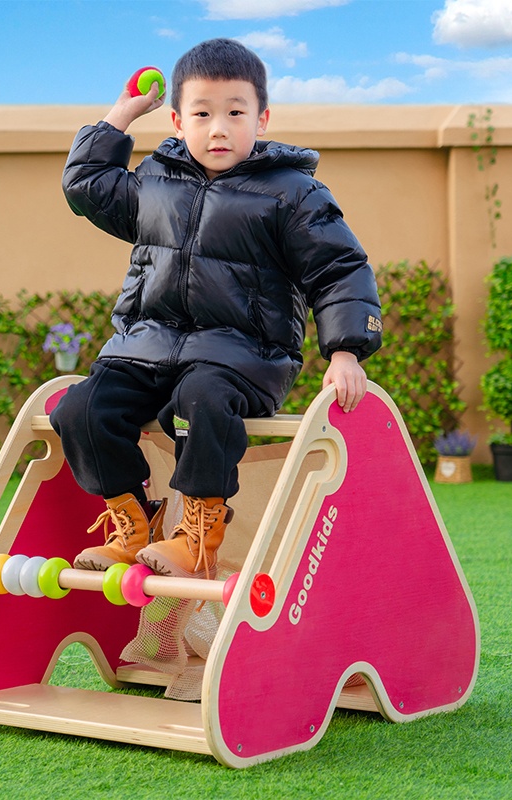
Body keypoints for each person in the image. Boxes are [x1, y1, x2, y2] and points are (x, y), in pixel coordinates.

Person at [50, 38, 382, 581]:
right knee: (80, 409)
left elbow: (339, 268)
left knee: (199, 398)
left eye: (236, 112)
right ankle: (134, 522)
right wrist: (125, 110)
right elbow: (85, 185)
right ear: (178, 120)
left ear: (263, 117)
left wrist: (346, 351)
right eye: (202, 114)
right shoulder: (154, 180)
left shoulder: (293, 194)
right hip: (148, 346)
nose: (219, 128)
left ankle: (198, 535)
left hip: (242, 356)